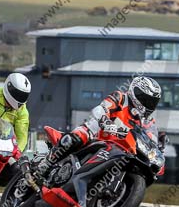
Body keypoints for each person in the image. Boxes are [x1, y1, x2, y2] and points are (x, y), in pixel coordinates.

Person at [31, 76, 164, 182]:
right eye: (146, 99)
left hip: (119, 148)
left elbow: (149, 137)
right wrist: (105, 120)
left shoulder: (146, 121)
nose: (149, 104)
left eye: (152, 102)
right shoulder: (121, 97)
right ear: (136, 93)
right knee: (78, 137)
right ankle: (46, 164)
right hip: (97, 133)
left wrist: (157, 147)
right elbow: (102, 108)